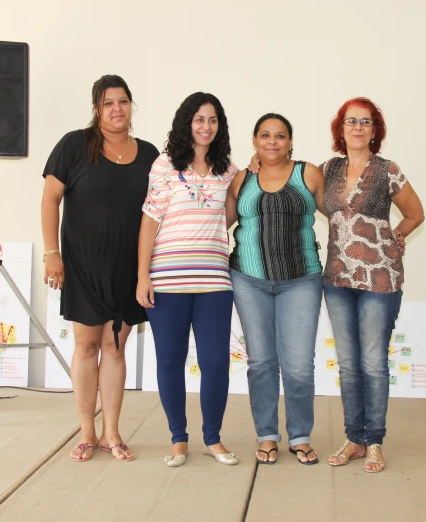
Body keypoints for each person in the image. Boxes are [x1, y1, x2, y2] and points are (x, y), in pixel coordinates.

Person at [41, 75, 159, 462]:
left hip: (128, 268)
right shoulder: (74, 145)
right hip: (83, 266)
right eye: (108, 103)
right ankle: (87, 432)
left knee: (116, 347)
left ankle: (112, 432)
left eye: (123, 101)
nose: (117, 109)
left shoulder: (148, 154)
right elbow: (50, 200)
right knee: (87, 346)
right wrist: (51, 253)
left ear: (131, 106)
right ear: (97, 108)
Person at [321, 98, 424, 472]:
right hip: (336, 278)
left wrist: (394, 239)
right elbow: (298, 189)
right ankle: (354, 438)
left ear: (375, 130)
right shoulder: (328, 169)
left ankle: (375, 440)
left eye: (366, 122)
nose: (358, 128)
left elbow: (416, 213)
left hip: (380, 279)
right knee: (348, 365)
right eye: (351, 121)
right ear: (341, 128)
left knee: (373, 364)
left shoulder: (386, 169)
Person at [137, 92, 239, 468]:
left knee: (215, 362)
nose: (206, 126)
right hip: (166, 280)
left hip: (214, 280)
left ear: (220, 126)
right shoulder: (164, 166)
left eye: (212, 120)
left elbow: (228, 216)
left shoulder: (228, 169)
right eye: (199, 119)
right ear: (186, 122)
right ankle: (179, 438)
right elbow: (149, 222)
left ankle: (212, 437)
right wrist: (141, 276)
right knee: (171, 359)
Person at [226, 113, 325, 465]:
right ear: (254, 141)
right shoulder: (242, 178)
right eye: (265, 135)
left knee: (298, 366)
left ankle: (300, 435)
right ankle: (267, 435)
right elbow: (218, 221)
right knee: (262, 363)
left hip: (301, 279)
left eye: (280, 136)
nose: (272, 142)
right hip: (248, 279)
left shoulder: (308, 173)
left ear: (290, 142)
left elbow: (342, 216)